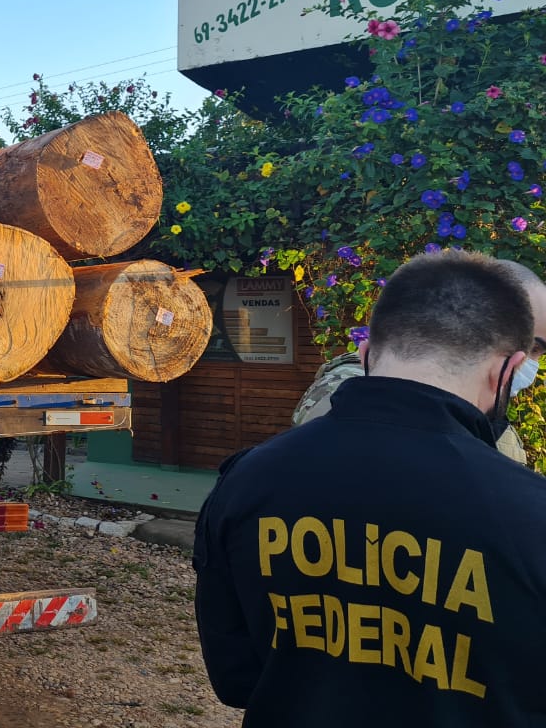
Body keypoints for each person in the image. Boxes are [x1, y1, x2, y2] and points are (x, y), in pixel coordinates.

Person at [194, 250, 546, 725]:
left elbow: (235, 679)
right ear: (508, 370)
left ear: (364, 355)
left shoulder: (246, 479)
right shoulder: (530, 512)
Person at [292, 258, 546, 464]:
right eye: (528, 345)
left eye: (537, 351)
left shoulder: (491, 412)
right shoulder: (347, 393)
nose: (528, 361)